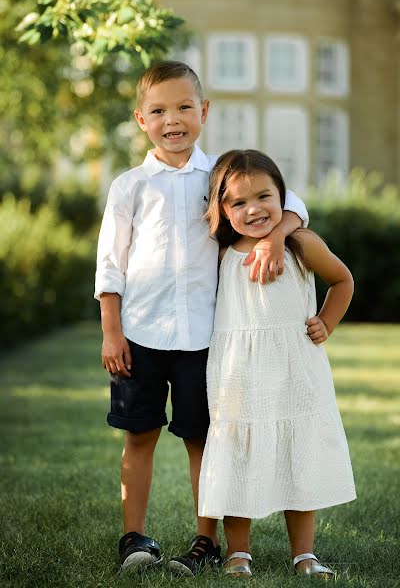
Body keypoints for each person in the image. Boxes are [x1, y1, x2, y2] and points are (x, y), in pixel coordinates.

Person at [94, 62, 309, 576]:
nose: (174, 119)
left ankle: (204, 539)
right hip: (140, 335)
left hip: (203, 338)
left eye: (185, 107)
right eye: (159, 110)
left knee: (204, 440)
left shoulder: (219, 179)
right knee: (139, 435)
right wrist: (111, 331)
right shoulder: (129, 187)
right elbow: (110, 264)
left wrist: (278, 236)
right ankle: (134, 537)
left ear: (204, 112)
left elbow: (293, 202)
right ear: (141, 119)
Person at [198, 149, 356, 578]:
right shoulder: (218, 252)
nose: (254, 209)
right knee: (237, 455)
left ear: (283, 197)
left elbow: (343, 280)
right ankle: (238, 553)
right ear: (222, 208)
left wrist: (326, 320)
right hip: (238, 374)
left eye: (264, 197)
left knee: (296, 453)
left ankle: (304, 554)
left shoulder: (300, 243)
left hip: (294, 369)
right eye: (238, 203)